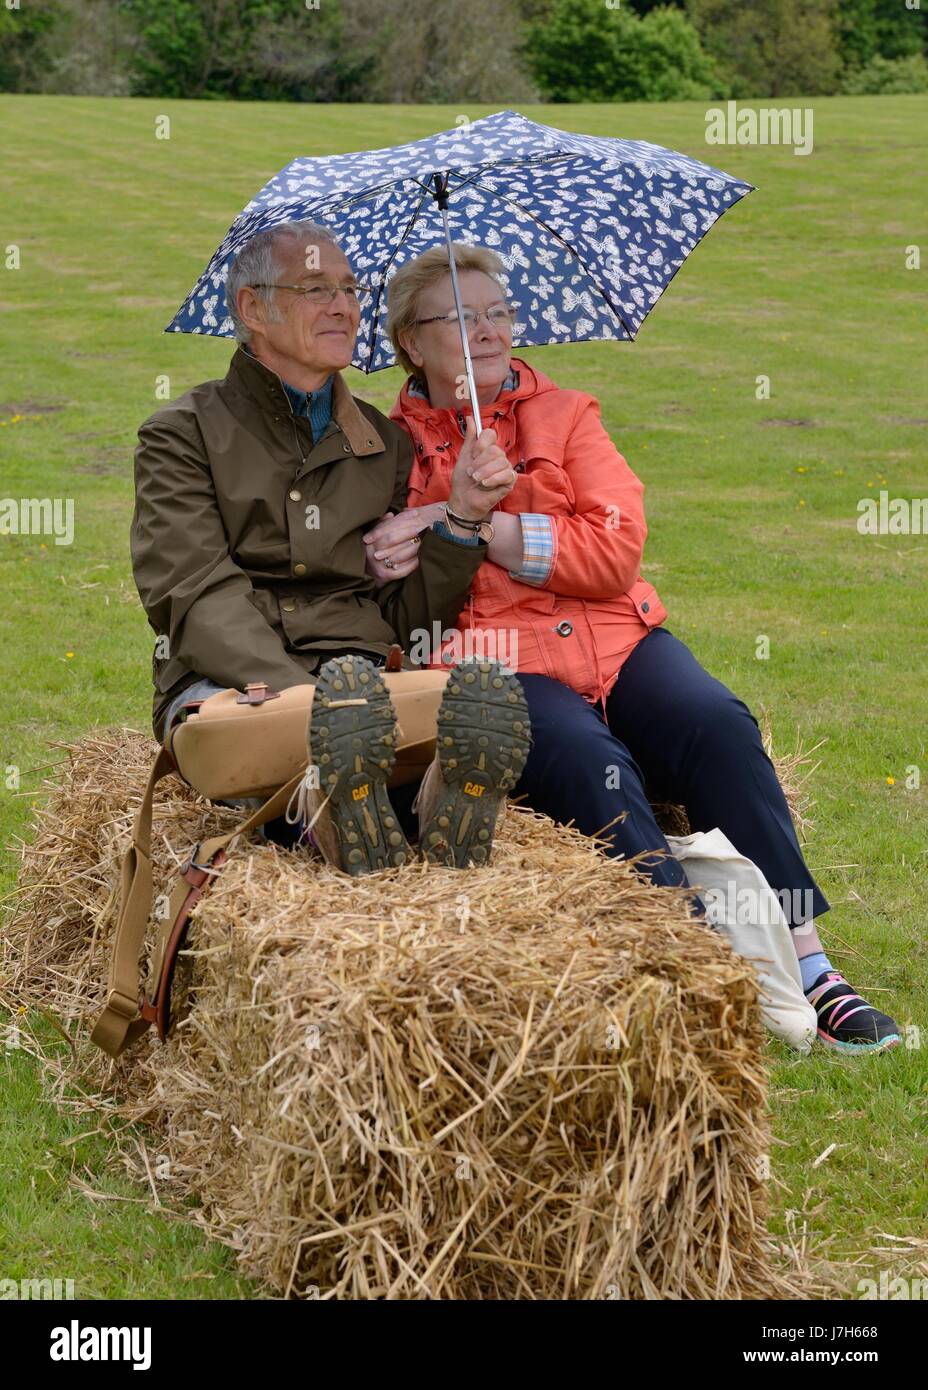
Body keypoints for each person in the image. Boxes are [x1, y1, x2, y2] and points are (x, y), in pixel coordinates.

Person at [361, 241, 900, 1054]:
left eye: (499, 310)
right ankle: (701, 965)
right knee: (586, 761)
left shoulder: (569, 414)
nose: (489, 331)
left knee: (715, 723)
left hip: (616, 636)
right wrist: (444, 513)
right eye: (461, 318)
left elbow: (614, 552)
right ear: (411, 340)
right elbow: (408, 604)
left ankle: (808, 960)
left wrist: (465, 523)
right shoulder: (386, 448)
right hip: (493, 655)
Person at [130, 219, 531, 874]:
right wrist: (312, 702)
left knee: (457, 699)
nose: (344, 307)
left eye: (350, 290)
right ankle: (352, 807)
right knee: (295, 733)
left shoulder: (384, 445)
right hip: (231, 682)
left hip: (364, 681)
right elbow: (195, 593)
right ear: (252, 308)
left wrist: (461, 521)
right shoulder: (182, 435)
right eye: (317, 289)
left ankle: (403, 807)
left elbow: (405, 619)